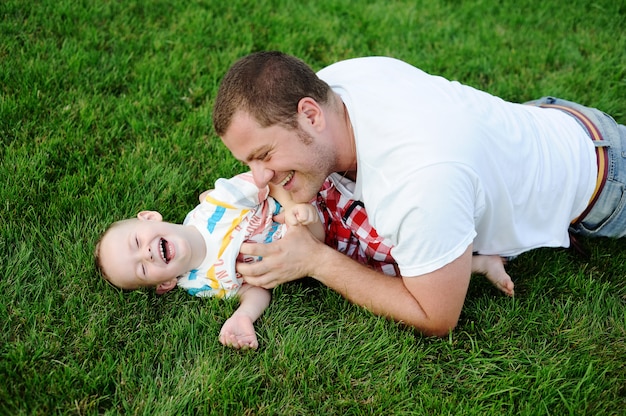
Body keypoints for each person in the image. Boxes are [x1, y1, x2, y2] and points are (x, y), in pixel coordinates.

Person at [212, 51, 625, 336]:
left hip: (606, 182)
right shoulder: (334, 84)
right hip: (543, 120)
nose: (259, 178)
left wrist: (318, 261)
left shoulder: (420, 179)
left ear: (310, 115)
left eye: (264, 155)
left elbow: (436, 315)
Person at [95, 172, 324, 349]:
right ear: (165, 284)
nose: (146, 254)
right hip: (313, 253)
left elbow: (271, 182)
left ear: (149, 218)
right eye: (142, 269)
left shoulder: (218, 204)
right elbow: (252, 289)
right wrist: (244, 315)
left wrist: (294, 207)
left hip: (313, 208)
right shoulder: (198, 283)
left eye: (136, 242)